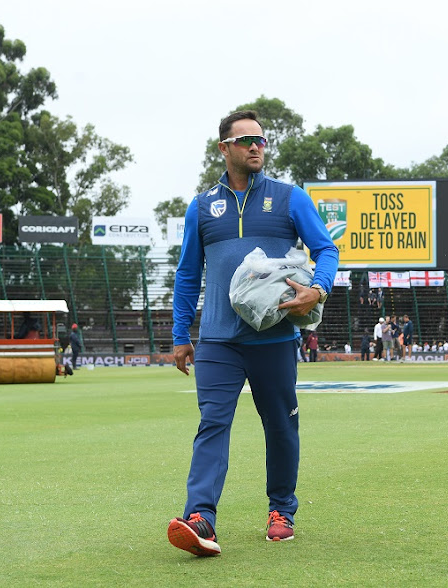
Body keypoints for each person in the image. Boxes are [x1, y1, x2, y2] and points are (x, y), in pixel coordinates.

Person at [168, 110, 339, 556]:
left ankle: (281, 509)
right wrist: (180, 334)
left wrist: (316, 290)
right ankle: (200, 517)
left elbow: (325, 248)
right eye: (247, 140)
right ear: (225, 148)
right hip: (218, 341)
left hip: (274, 339)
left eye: (262, 140)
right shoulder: (203, 207)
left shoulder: (289, 198)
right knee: (212, 425)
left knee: (281, 427)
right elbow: (188, 274)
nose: (257, 147)